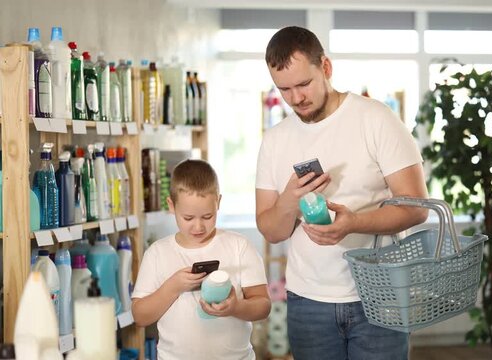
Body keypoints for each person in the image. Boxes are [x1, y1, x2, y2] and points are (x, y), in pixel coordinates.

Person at [256, 26, 429, 359]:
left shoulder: (376, 119)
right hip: (307, 302)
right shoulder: (275, 140)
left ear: (326, 68)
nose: (296, 99)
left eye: (303, 84)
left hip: (380, 295)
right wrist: (290, 199)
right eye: (284, 90)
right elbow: (272, 231)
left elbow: (417, 207)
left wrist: (353, 223)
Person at [132, 159, 270, 360]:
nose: (198, 227)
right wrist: (173, 287)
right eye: (188, 218)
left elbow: (263, 306)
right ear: (171, 205)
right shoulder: (157, 253)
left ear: (218, 202)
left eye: (207, 216)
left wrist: (236, 307)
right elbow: (140, 316)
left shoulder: (239, 246)